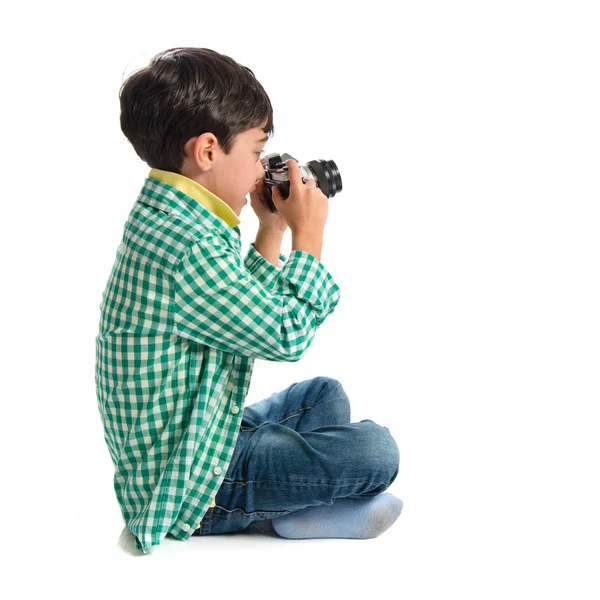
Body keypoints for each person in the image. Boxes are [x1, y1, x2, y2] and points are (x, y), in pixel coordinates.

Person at [96, 47, 403, 555]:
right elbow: (283, 334)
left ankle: (294, 502)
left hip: (200, 430)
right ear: (209, 150)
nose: (262, 168)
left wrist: (271, 229)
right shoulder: (187, 245)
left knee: (325, 394)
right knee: (376, 451)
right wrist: (309, 235)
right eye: (257, 152)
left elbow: (238, 316)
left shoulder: (176, 216)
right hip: (189, 485)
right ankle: (277, 513)